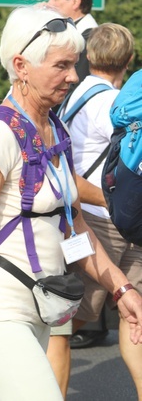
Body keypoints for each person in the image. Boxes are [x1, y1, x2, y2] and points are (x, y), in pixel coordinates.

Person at [0, 6, 142, 401]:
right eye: (62, 66)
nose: (73, 76)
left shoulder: (52, 128)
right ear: (21, 65)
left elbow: (76, 228)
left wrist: (122, 290)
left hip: (43, 307)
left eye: (74, 64)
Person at [50, 23, 142, 396]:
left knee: (83, 315)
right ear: (130, 59)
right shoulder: (116, 105)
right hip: (109, 221)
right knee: (73, 319)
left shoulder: (69, 94)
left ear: (88, 57)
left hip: (83, 216)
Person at [47, 0, 97, 83]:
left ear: (75, 2)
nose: (48, 4)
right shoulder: (82, 34)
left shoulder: (89, 40)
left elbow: (72, 87)